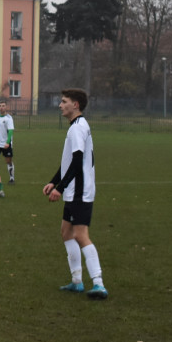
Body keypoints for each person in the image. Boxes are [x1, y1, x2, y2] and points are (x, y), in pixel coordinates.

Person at [42, 88, 108, 300]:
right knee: (66, 233)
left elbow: (78, 162)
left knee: (80, 235)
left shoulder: (78, 128)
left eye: (64, 101)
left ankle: (98, 283)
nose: (60, 105)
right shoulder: (76, 127)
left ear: (76, 105)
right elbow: (69, 162)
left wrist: (60, 188)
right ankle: (77, 281)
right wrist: (54, 182)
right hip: (74, 191)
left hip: (80, 192)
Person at [0, 100, 15, 184]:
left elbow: (10, 131)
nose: (1, 107)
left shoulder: (9, 118)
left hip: (6, 143)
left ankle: (12, 178)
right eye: (0, 106)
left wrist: (7, 142)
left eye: (3, 106)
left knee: (8, 161)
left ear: (6, 107)